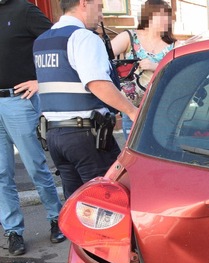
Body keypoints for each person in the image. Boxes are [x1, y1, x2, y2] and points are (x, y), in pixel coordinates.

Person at [33, 0, 138, 200]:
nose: (101, 15)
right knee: (107, 200)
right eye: (99, 7)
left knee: (77, 204)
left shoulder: (43, 41)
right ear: (83, 3)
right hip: (86, 136)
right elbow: (97, 83)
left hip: (55, 136)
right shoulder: (83, 37)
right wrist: (132, 111)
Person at [0, 0, 66, 256]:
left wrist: (41, 80)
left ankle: (55, 218)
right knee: (2, 174)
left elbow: (57, 43)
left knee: (35, 167)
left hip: (19, 101)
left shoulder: (24, 10)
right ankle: (13, 230)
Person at [111, 0, 176, 139]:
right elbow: (101, 57)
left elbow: (178, 74)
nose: (167, 20)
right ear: (149, 16)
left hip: (162, 108)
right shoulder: (130, 37)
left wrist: (155, 67)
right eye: (162, 16)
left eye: (168, 17)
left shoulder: (173, 45)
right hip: (133, 108)